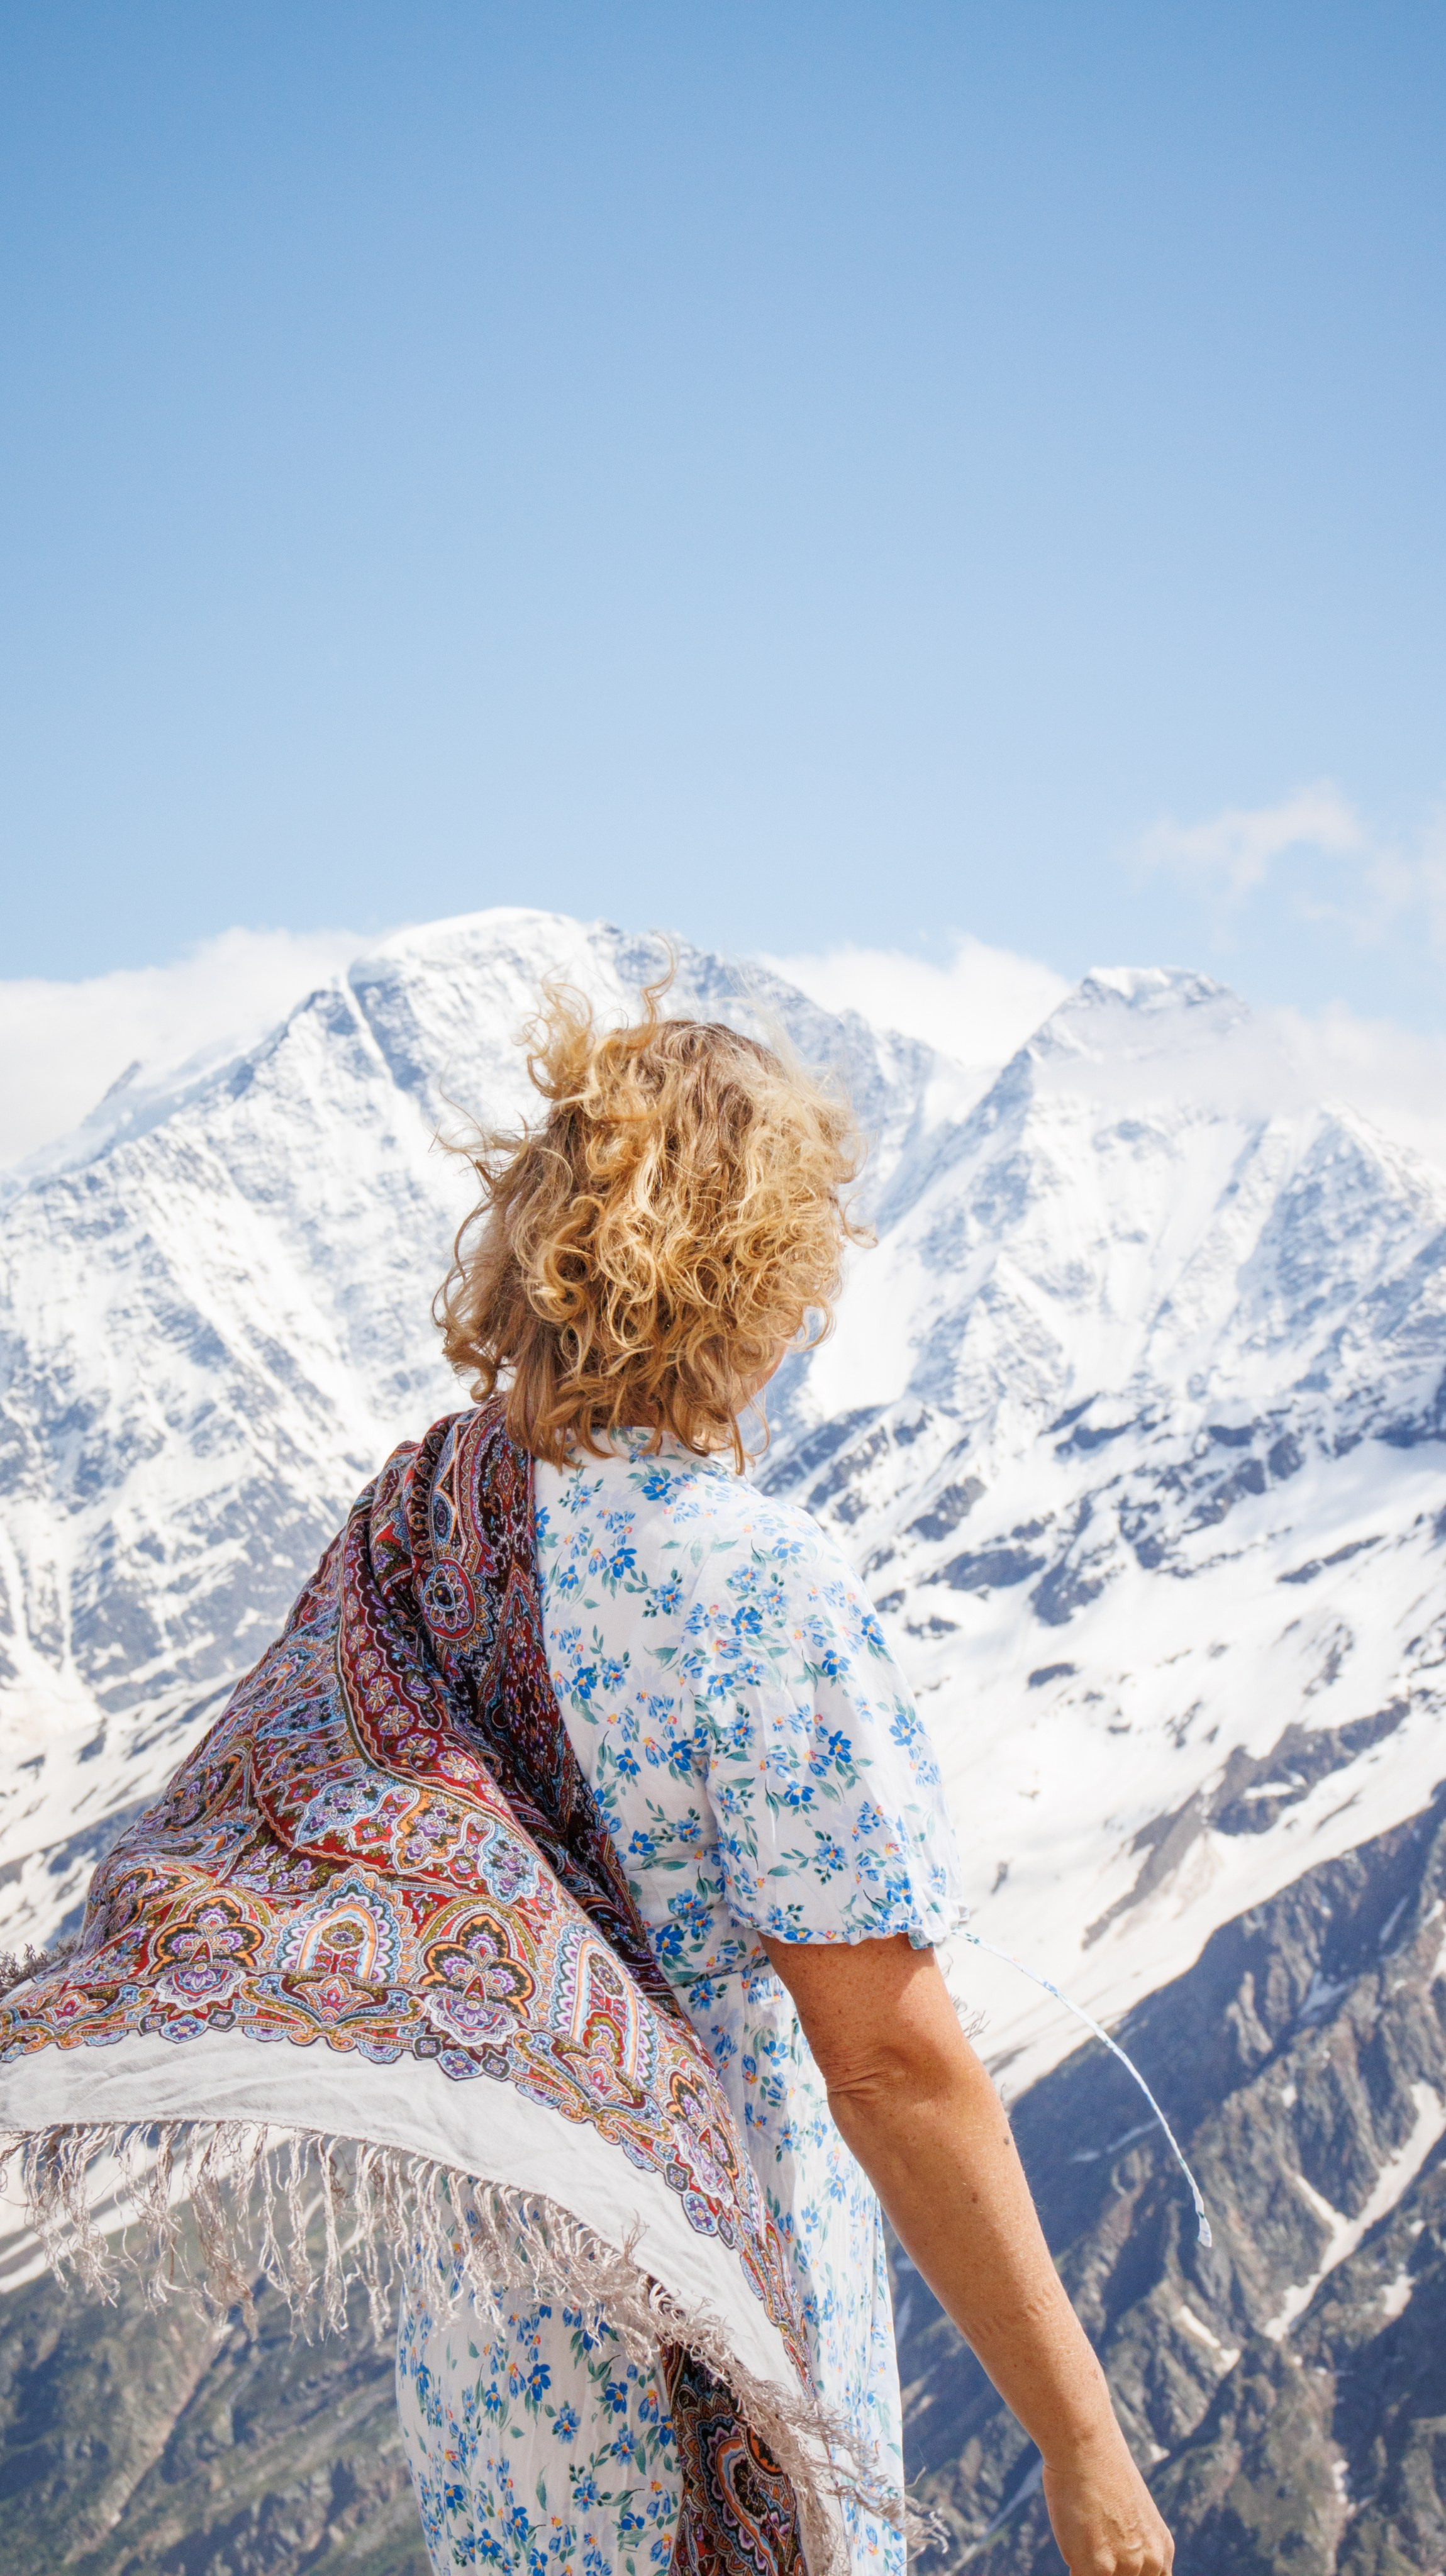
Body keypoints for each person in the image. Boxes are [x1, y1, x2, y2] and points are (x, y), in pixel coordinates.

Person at [394, 985, 1174, 2576]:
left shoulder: (423, 1533)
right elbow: (887, 2059)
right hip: (714, 2355)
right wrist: (1081, 2437)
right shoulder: (751, 1587)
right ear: (756, 1276)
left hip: (489, 2366)